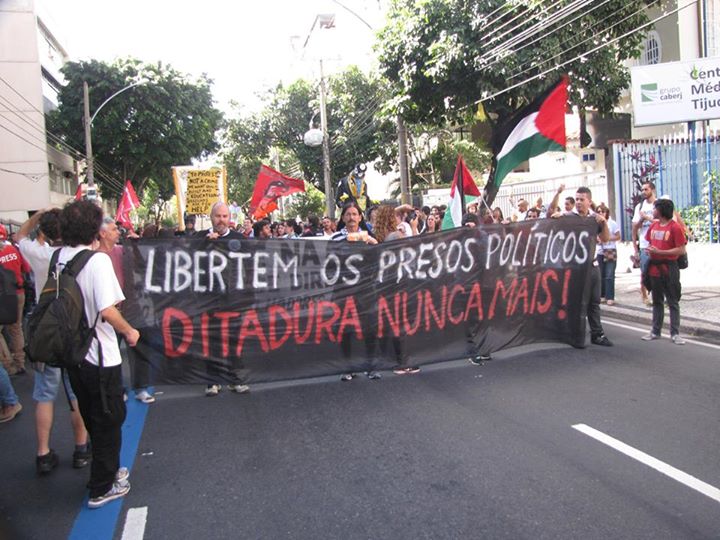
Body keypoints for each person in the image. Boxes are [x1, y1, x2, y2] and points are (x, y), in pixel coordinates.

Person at [58, 200, 140, 509]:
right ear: (94, 229)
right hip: (100, 354)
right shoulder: (97, 262)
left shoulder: (58, 257)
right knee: (110, 417)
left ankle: (105, 469)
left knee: (92, 413)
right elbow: (107, 310)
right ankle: (102, 486)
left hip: (72, 353)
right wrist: (129, 331)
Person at [17, 209, 91, 474]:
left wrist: (37, 217)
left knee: (44, 395)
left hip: (44, 331)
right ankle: (81, 448)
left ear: (46, 231)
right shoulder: (75, 256)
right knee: (76, 394)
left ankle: (43, 453)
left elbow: (20, 235)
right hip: (71, 330)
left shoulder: (37, 254)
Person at [196, 202, 248, 396]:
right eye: (218, 216)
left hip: (233, 298)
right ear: (211, 217)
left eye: (225, 216)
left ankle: (235, 379)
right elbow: (187, 258)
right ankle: (212, 381)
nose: (221, 220)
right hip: (209, 299)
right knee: (212, 339)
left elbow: (249, 265)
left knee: (234, 339)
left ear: (229, 218)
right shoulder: (200, 238)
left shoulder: (239, 239)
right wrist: (205, 244)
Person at [332, 202, 380, 381]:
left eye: (355, 214)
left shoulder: (369, 237)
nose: (351, 218)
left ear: (360, 217)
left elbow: (379, 259)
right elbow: (330, 262)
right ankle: (348, 367)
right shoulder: (336, 238)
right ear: (343, 217)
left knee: (370, 327)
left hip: (366, 290)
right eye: (348, 214)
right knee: (345, 329)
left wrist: (374, 244)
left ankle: (371, 366)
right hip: (343, 290)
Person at [560, 187, 613, 347]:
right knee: (576, 303)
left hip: (592, 267)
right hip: (575, 268)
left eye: (581, 199)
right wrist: (555, 217)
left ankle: (597, 334)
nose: (578, 202)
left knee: (594, 303)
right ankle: (575, 335)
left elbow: (605, 239)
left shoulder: (594, 220)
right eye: (576, 199)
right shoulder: (568, 218)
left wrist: (603, 223)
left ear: (589, 201)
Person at [642, 198, 687, 344]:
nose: (652, 211)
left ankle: (675, 333)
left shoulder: (675, 228)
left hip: (669, 268)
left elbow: (681, 249)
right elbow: (650, 243)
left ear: (660, 210)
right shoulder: (654, 226)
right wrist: (650, 251)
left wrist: (661, 252)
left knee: (672, 301)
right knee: (657, 301)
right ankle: (655, 331)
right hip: (654, 268)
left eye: (655, 208)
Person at [0, 223, 27, 375]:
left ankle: (8, 364)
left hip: (2, 296)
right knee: (16, 328)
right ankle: (20, 362)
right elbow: (26, 269)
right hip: (18, 292)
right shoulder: (14, 250)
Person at [632, 181, 657, 305]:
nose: (643, 192)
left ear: (652, 189)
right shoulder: (640, 207)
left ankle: (657, 294)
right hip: (644, 244)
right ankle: (644, 294)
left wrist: (647, 218)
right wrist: (635, 249)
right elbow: (635, 227)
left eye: (646, 189)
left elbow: (661, 221)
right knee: (645, 271)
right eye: (642, 190)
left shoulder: (658, 205)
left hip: (657, 244)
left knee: (658, 271)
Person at [597, 206, 621, 306]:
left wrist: (607, 238)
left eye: (603, 211)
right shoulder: (596, 224)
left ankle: (610, 296)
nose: (601, 213)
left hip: (610, 250)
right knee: (601, 274)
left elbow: (618, 236)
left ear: (607, 213)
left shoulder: (612, 223)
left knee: (609, 274)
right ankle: (602, 295)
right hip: (600, 251)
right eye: (598, 211)